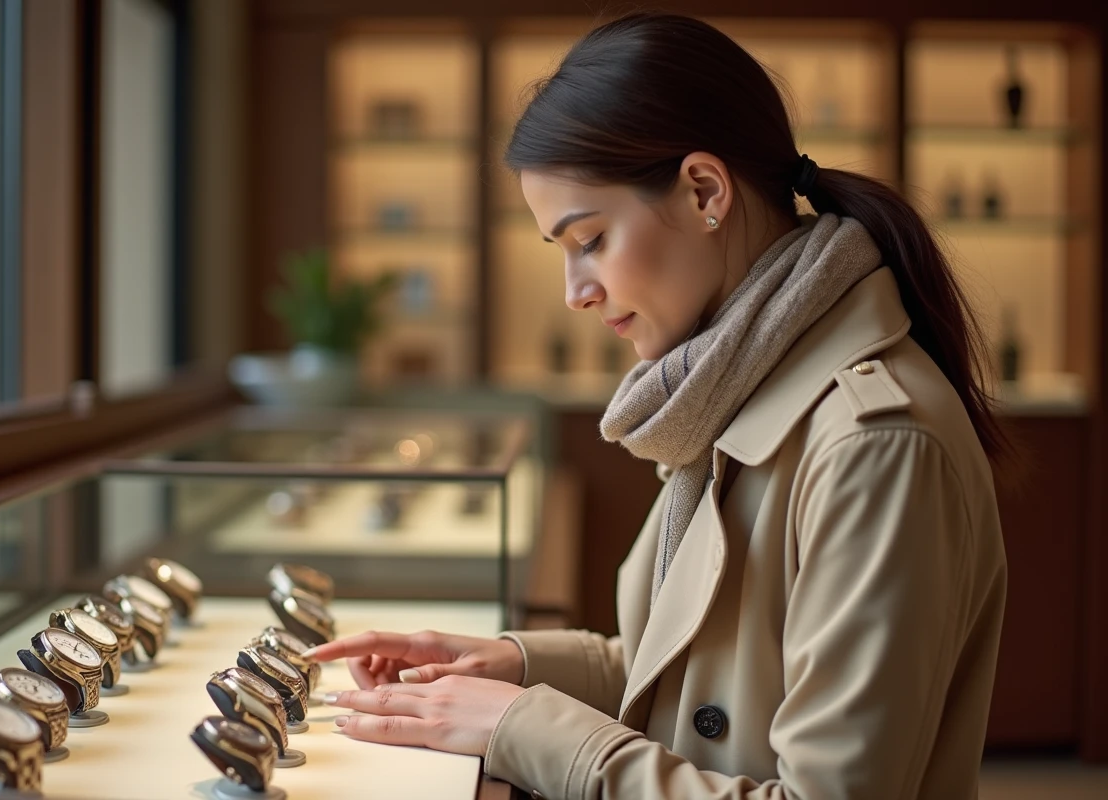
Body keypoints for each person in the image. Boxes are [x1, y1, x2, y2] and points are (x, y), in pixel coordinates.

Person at [310, 12, 1009, 799]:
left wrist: (521, 726)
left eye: (590, 240)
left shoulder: (875, 444)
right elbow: (699, 680)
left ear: (705, 191)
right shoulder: (737, 389)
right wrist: (510, 665)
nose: (576, 293)